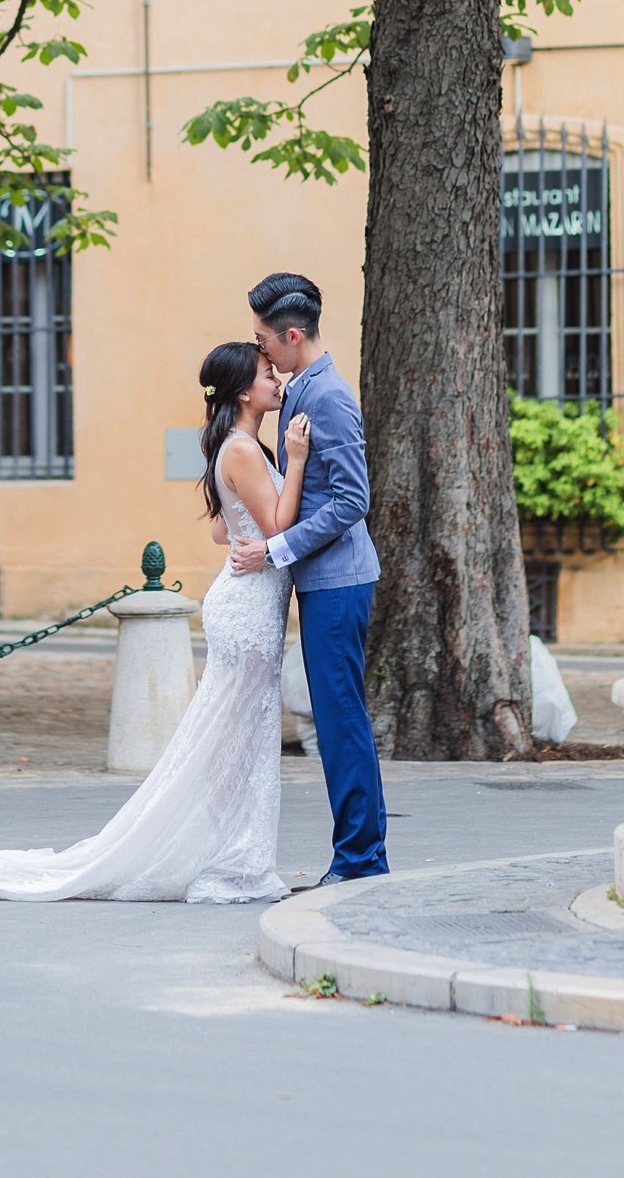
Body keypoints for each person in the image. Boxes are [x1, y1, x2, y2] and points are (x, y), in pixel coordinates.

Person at [0, 342, 311, 904]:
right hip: (247, 612)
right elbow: (274, 525)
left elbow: (224, 533)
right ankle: (234, 862)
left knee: (232, 742)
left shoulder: (235, 446)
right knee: (233, 742)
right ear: (244, 390)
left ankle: (234, 857)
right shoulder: (245, 451)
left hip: (244, 601)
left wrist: (258, 520)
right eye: (268, 373)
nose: (278, 380)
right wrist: (294, 462)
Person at [228, 272, 388, 884]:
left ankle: (361, 859)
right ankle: (361, 856)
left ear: (293, 335)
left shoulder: (329, 397)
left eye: (265, 340)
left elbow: (353, 500)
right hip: (321, 583)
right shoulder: (300, 389)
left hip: (340, 583)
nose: (260, 351)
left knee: (341, 719)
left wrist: (276, 550)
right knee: (338, 716)